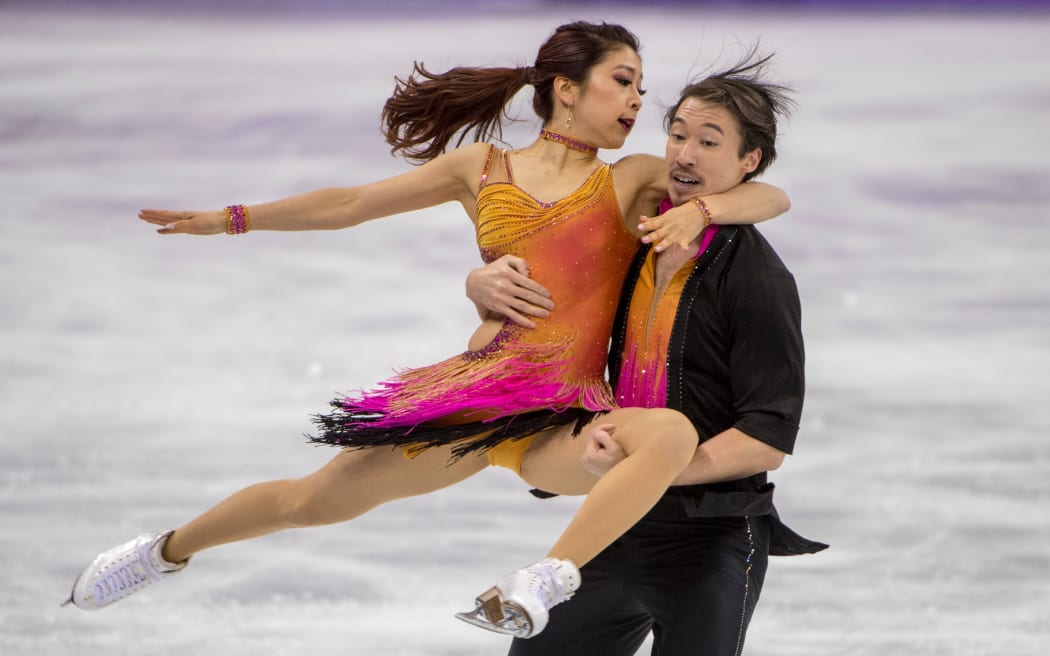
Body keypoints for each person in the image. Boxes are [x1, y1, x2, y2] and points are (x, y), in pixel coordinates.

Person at [63, 22, 791, 639]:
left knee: (666, 433)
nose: (639, 102)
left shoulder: (632, 179)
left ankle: (546, 579)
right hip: (473, 399)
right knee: (309, 501)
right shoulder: (482, 167)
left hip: (561, 416)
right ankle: (163, 551)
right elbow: (352, 202)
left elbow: (769, 192)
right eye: (624, 81)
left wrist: (702, 211)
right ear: (567, 88)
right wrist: (234, 218)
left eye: (641, 87)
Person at [466, 53, 827, 655]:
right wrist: (480, 287)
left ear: (748, 163)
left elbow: (767, 435)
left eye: (708, 142)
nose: (684, 154)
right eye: (678, 134)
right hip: (616, 523)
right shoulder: (629, 238)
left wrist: (652, 471)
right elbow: (546, 310)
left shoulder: (758, 280)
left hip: (710, 541)